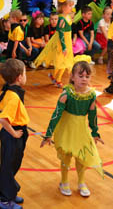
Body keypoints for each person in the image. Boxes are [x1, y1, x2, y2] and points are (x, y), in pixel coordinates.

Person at [41, 61, 104, 197]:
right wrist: (48, 134)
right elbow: (56, 115)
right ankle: (64, 181)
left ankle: (81, 182)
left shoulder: (91, 95)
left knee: (82, 155)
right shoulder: (66, 95)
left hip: (81, 129)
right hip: (67, 128)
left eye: (87, 76)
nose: (84, 79)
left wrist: (95, 132)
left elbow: (93, 116)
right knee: (67, 155)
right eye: (80, 76)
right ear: (73, 77)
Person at [0, 58, 29, 209]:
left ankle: (11, 192)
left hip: (15, 132)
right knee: (8, 167)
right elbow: (3, 119)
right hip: (12, 134)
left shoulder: (11, 91)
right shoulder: (13, 97)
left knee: (14, 164)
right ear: (19, 77)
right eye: (25, 73)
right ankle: (5, 200)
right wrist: (14, 134)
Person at [34, 0, 74, 88]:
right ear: (63, 7)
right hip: (61, 43)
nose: (71, 8)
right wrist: (64, 47)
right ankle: (57, 79)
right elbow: (60, 33)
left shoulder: (67, 16)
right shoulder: (61, 19)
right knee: (61, 61)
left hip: (68, 41)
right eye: (69, 6)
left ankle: (57, 78)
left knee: (65, 61)